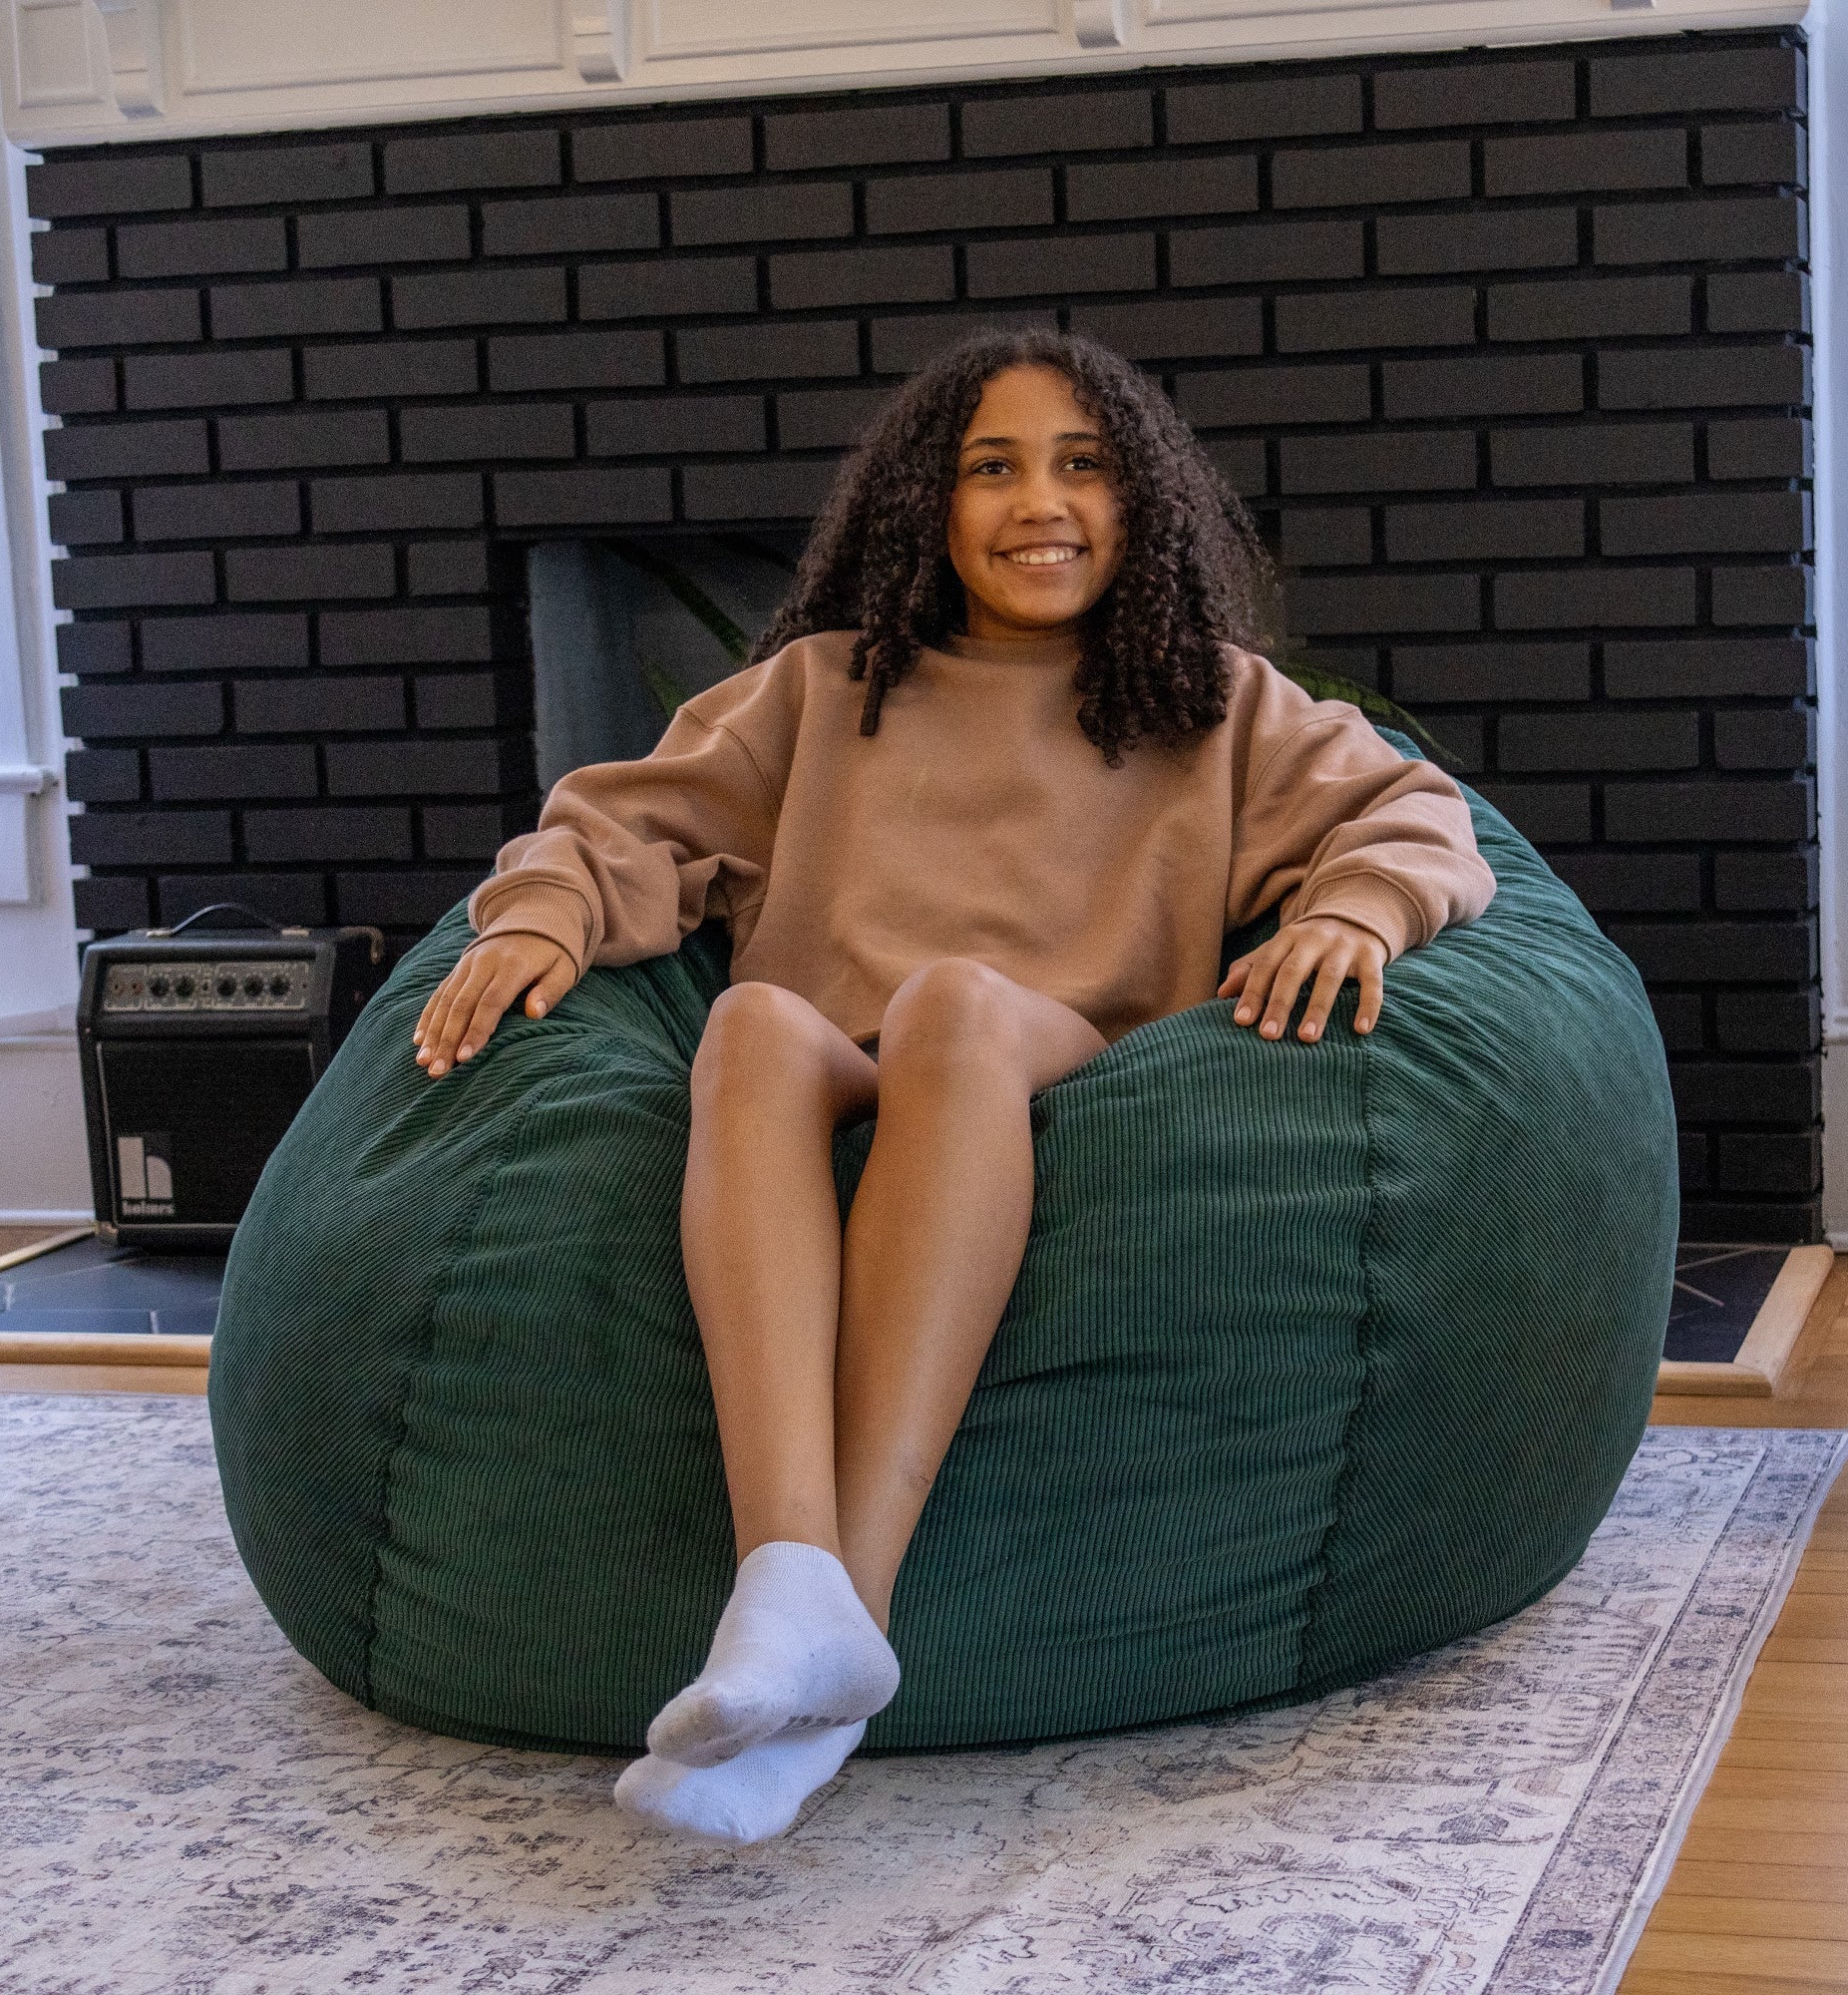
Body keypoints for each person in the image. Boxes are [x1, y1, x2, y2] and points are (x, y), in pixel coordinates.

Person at [410, 329, 1495, 1843]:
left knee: (956, 1010)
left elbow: (1417, 815)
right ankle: (787, 1590)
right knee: (752, 1029)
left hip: (1054, 1057)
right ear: (924, 504)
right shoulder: (816, 690)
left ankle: (845, 1592)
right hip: (848, 1056)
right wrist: (540, 916)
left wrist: (1353, 908)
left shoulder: (1219, 703)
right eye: (992, 467)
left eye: (1083, 465)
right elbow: (616, 826)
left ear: (1146, 504)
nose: (1038, 501)